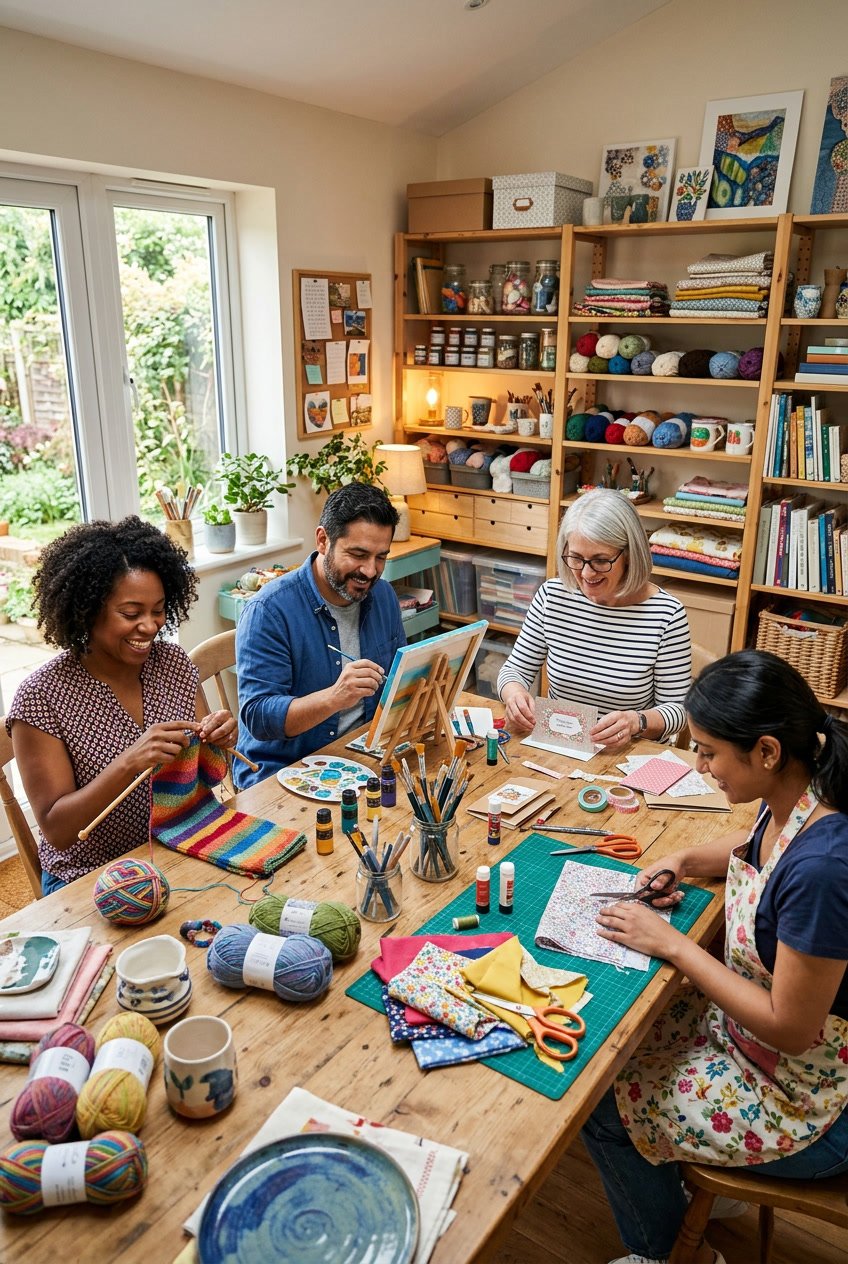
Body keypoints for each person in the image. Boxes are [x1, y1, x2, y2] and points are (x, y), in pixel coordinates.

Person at [582, 650, 848, 1264]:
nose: (699, 767)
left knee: (602, 1104)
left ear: (765, 752)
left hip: (810, 1098)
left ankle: (670, 1255)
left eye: (707, 752)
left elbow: (792, 1027)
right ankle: (684, 1173)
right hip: (754, 1047)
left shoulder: (826, 869)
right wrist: (683, 860)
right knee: (611, 1042)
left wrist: (670, 942)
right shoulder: (798, 792)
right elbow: (757, 839)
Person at [6, 516, 237, 894]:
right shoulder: (41, 698)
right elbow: (58, 830)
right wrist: (130, 761)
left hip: (181, 843)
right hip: (93, 876)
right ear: (88, 609)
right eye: (131, 614)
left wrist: (221, 740)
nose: (150, 626)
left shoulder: (174, 663)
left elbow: (209, 774)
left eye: (159, 610)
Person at [235, 482, 405, 788]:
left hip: (358, 757)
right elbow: (259, 719)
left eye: (381, 557)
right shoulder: (269, 610)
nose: (370, 571)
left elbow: (398, 684)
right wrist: (334, 698)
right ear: (323, 540)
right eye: (358, 554)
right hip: (283, 771)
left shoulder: (384, 597)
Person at [497, 489, 691, 750]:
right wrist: (515, 695)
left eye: (600, 561)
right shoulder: (552, 596)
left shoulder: (666, 615)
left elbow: (678, 711)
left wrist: (637, 721)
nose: (586, 573)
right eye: (576, 558)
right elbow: (513, 670)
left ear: (630, 555)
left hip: (627, 753)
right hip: (561, 746)